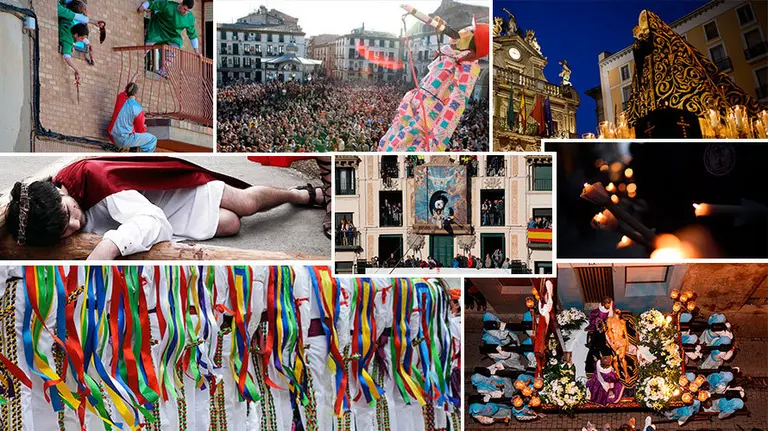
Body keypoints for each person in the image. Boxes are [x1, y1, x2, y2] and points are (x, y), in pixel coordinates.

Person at [5, 157, 326, 259]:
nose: (75, 226)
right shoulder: (41, 214)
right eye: (65, 231)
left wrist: (109, 246)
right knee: (232, 225)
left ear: (60, 192)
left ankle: (296, 195)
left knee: (246, 202)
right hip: (158, 214)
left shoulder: (94, 179)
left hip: (172, 195)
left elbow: (150, 217)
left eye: (69, 214)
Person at [107, 73, 157, 152]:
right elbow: (141, 130)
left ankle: (132, 150)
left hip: (111, 135)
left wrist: (133, 79)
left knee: (132, 129)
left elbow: (127, 90)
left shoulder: (120, 97)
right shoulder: (137, 108)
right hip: (123, 140)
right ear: (136, 93)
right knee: (152, 140)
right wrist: (144, 128)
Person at [58, 0, 104, 80]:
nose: (82, 40)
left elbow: (78, 34)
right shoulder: (68, 40)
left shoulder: (69, 24)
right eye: (82, 38)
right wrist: (77, 70)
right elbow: (67, 57)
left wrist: (89, 44)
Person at [586, 297, 615, 373]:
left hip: (608, 323)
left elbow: (611, 315)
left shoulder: (611, 305)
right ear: (604, 303)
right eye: (607, 304)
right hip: (600, 328)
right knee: (598, 344)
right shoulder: (598, 313)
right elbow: (598, 322)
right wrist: (602, 326)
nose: (609, 306)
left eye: (610, 304)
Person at [606, 308, 632, 380]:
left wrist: (627, 343)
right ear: (613, 311)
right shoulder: (610, 320)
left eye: (620, 311)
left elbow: (626, 334)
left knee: (622, 358)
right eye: (617, 310)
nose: (619, 311)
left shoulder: (622, 322)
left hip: (621, 341)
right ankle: (617, 373)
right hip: (613, 341)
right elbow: (609, 331)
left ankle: (626, 374)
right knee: (614, 359)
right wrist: (612, 342)